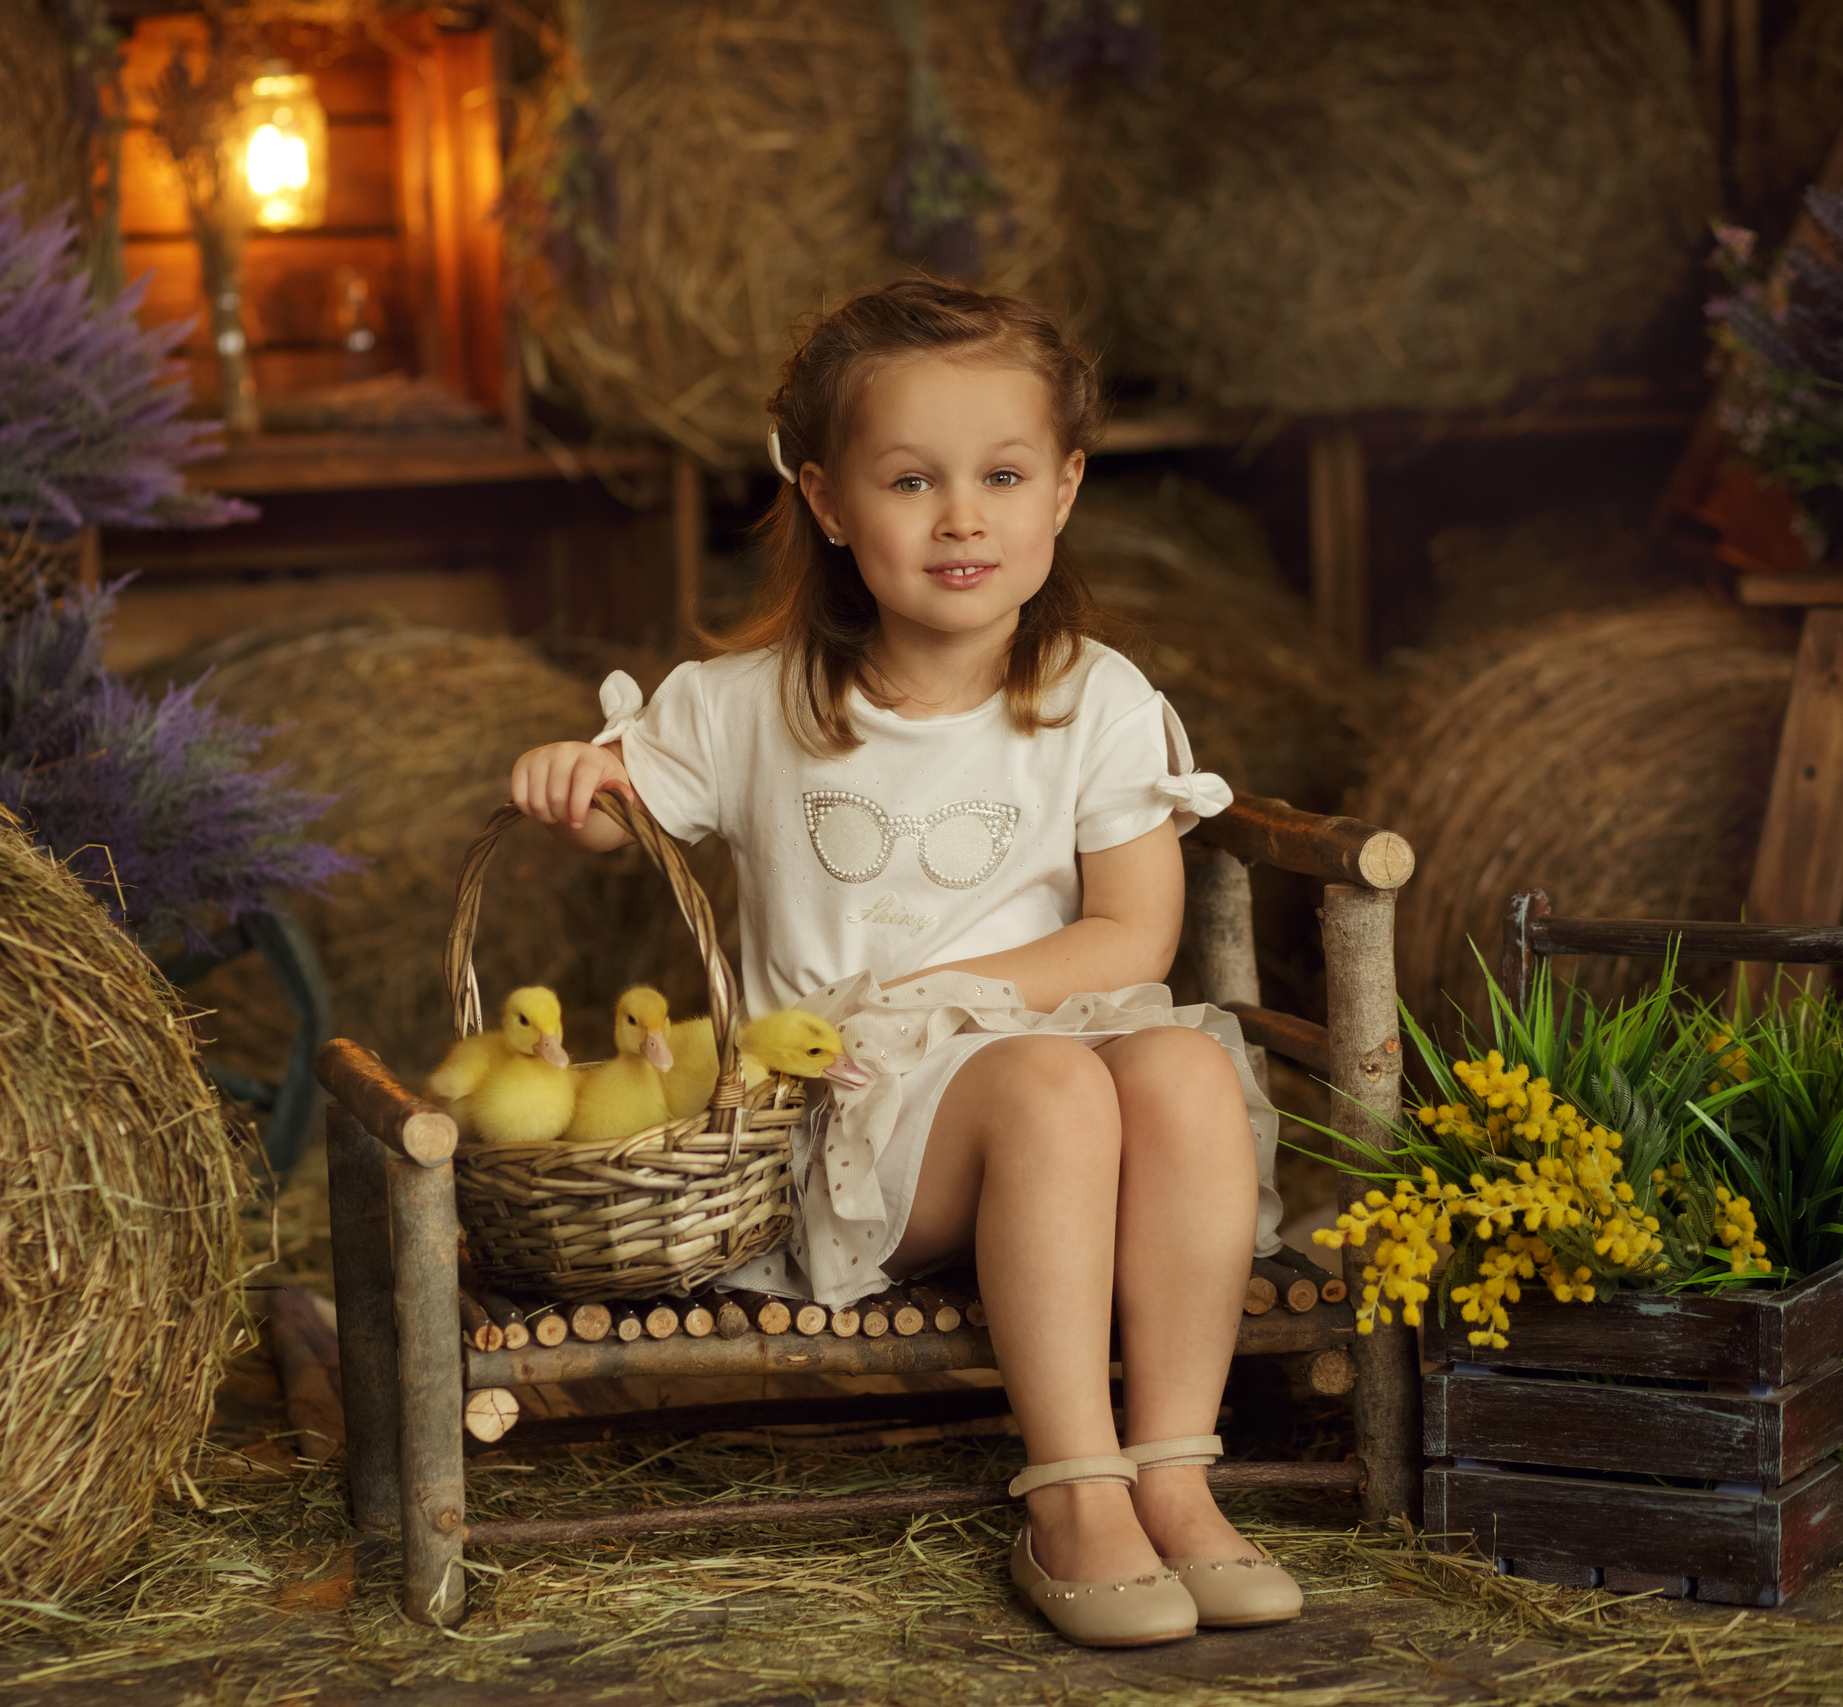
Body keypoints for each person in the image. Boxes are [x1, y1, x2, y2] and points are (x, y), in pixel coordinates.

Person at [509, 279, 1298, 1647]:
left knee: (1176, 1062)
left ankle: (1174, 1466)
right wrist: (577, 781)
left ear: (1063, 489)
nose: (961, 518)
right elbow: (614, 812)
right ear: (827, 501)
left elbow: (1135, 936)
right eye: (910, 480)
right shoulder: (749, 705)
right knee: (1052, 1086)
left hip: (1037, 1062)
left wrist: (954, 996)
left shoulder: (1096, 699)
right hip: (848, 1119)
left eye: (1002, 475)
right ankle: (1071, 1490)